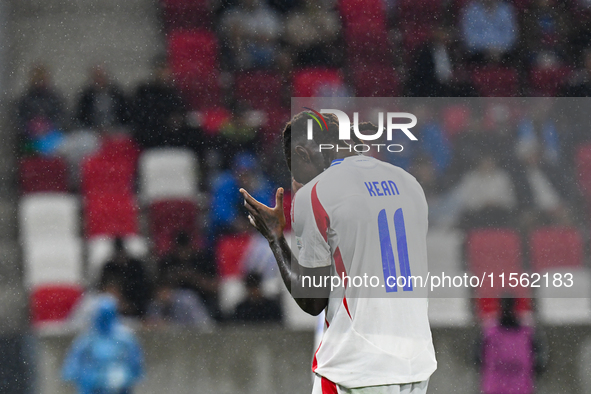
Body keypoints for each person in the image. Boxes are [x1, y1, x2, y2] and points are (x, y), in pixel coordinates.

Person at [240, 111, 436, 393]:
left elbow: (312, 299)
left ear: (301, 154)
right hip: (416, 363)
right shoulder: (409, 182)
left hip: (358, 365)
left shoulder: (317, 193)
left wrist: (274, 237)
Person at [62, 297, 144, 394]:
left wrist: (127, 375)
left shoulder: (124, 338)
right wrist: (82, 376)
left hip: (117, 384)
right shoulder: (87, 339)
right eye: (102, 315)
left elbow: (135, 362)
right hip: (92, 383)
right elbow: (74, 362)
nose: (104, 319)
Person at [477, 298, 546, 394]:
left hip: (499, 386)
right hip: (518, 387)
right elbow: (540, 362)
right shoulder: (526, 333)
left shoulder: (490, 333)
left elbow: (477, 359)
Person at [157, 232, 220, 320]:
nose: (183, 254)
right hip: (173, 305)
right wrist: (175, 277)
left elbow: (214, 287)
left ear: (190, 247)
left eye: (185, 250)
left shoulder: (201, 260)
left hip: (201, 303)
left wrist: (192, 277)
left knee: (189, 298)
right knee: (183, 298)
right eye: (180, 250)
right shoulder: (168, 261)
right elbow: (160, 293)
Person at [99, 237, 151, 318]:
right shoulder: (109, 268)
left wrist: (131, 306)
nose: (120, 257)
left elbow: (143, 290)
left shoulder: (136, 268)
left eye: (121, 253)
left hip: (137, 310)